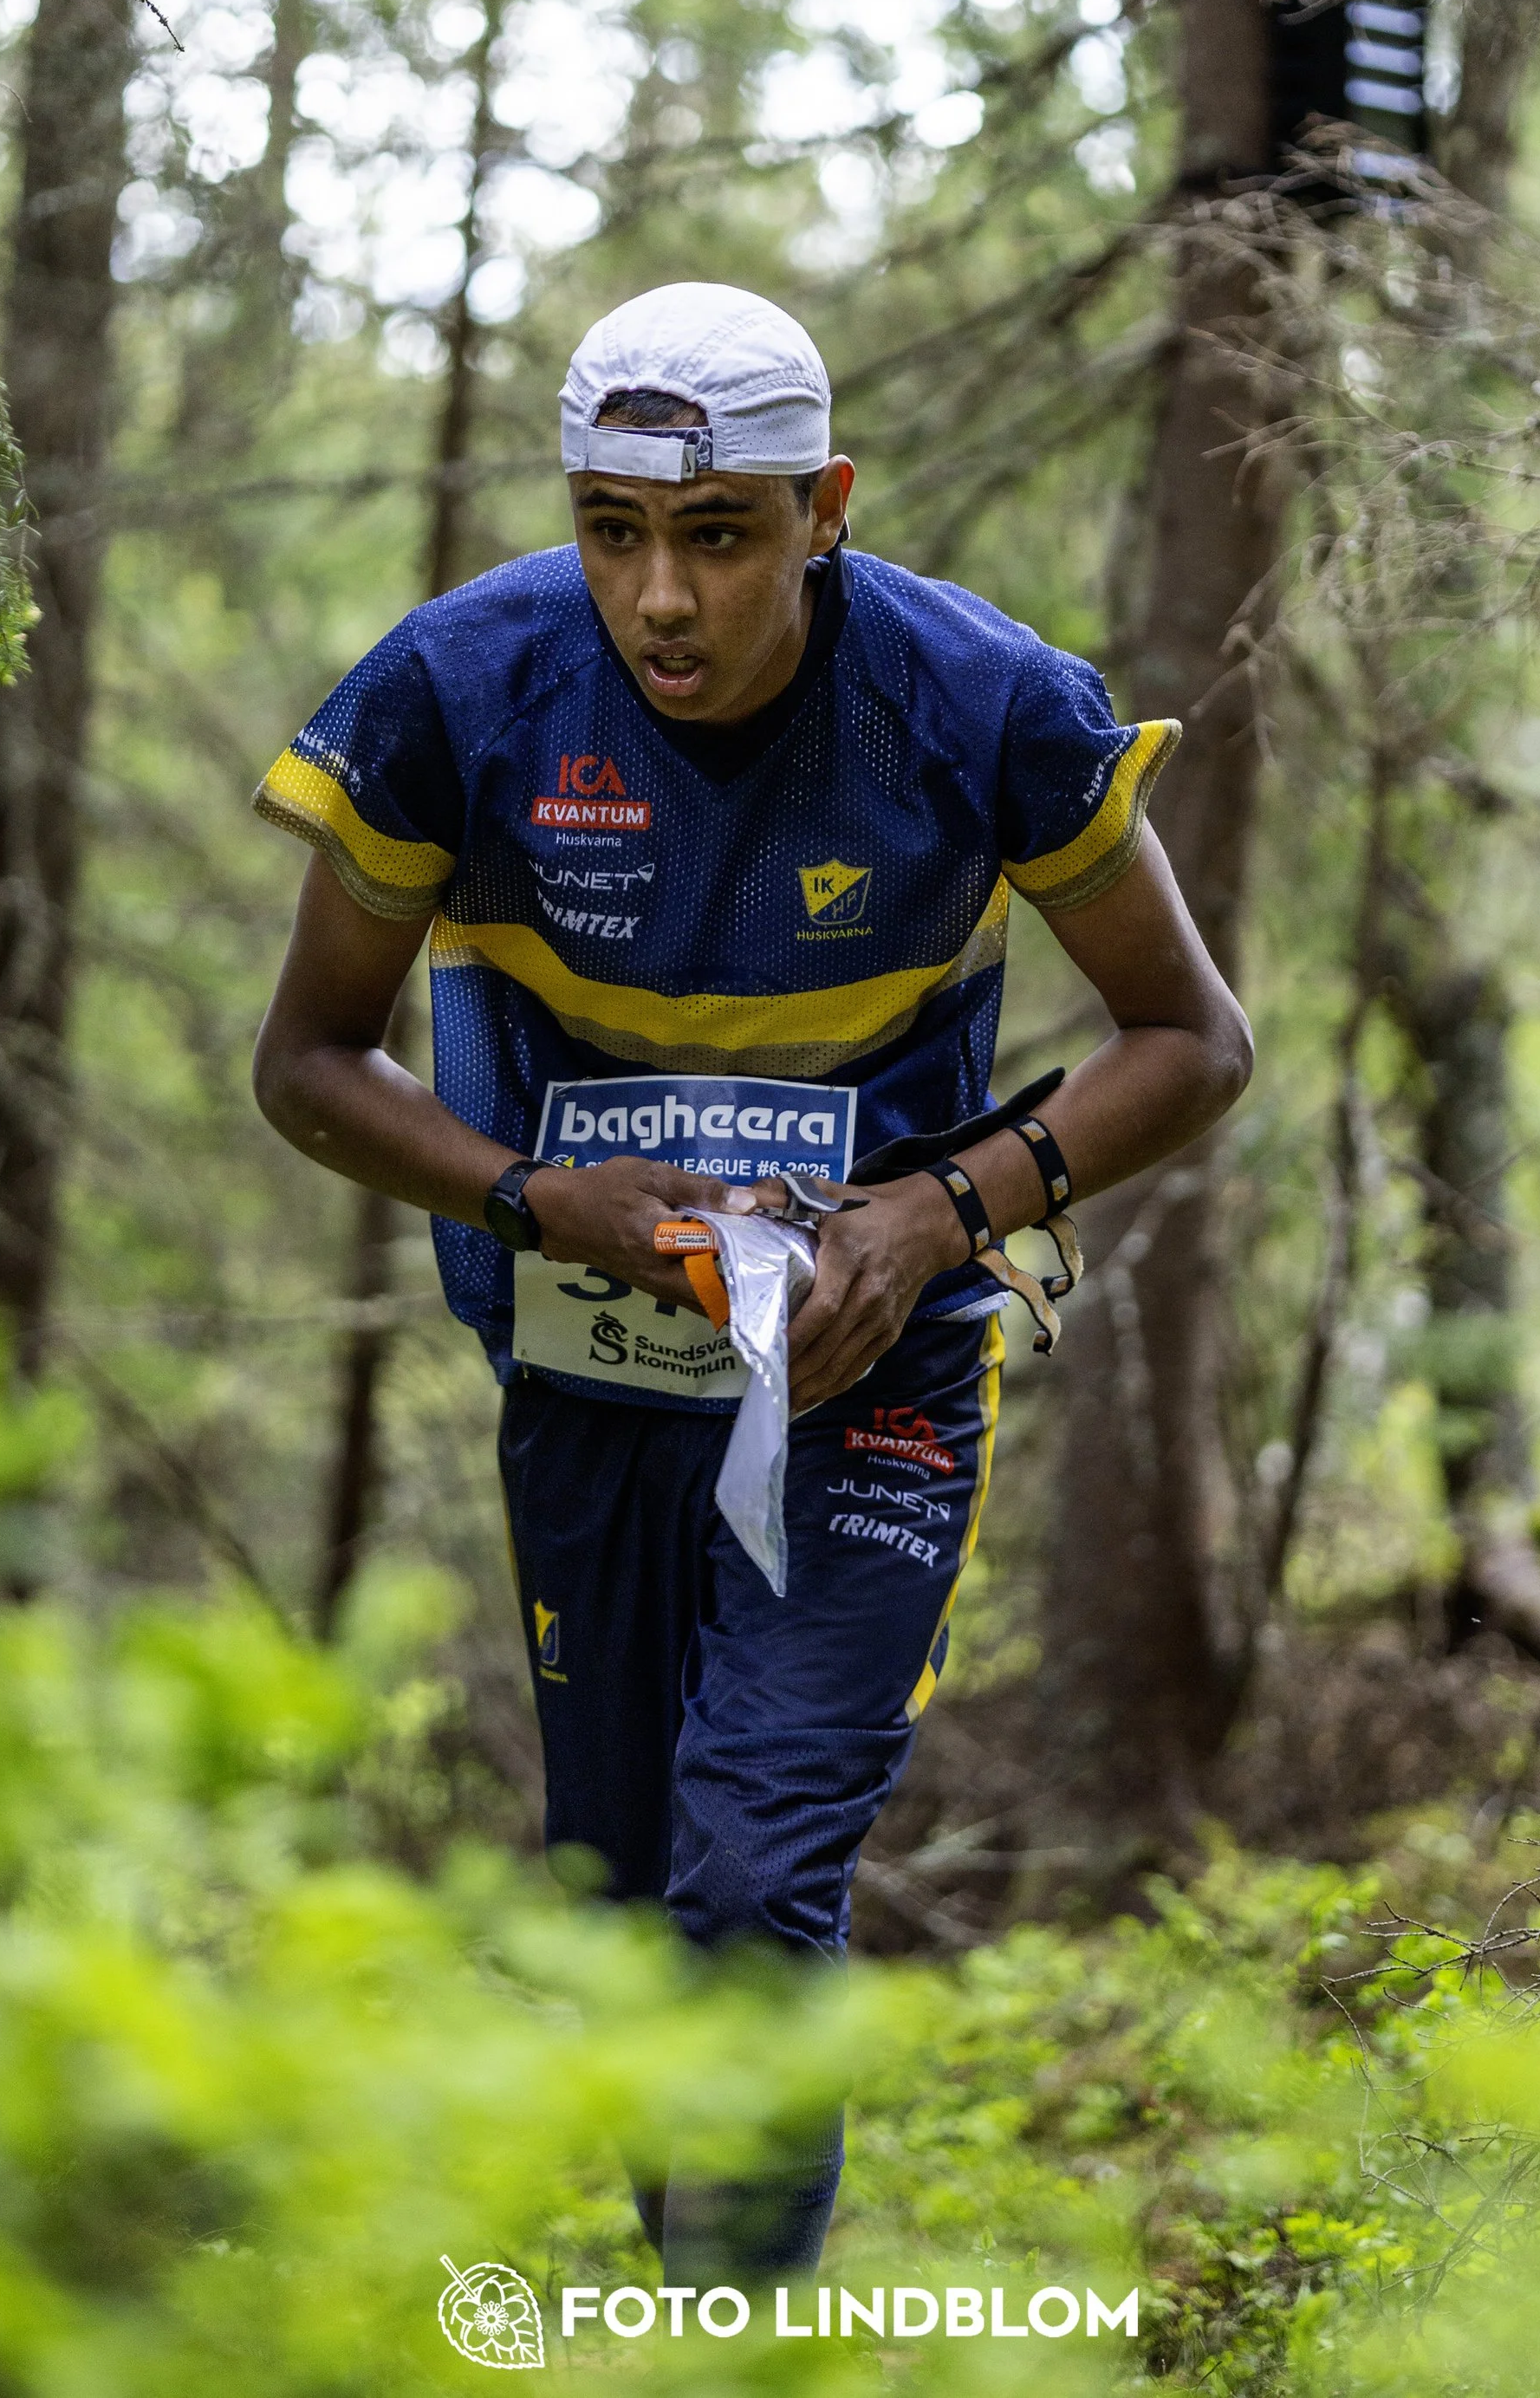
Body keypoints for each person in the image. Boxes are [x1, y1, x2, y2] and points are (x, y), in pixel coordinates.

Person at [250, 280, 1251, 2279]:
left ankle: (745, 2327)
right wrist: (543, 1193)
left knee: (751, 1876)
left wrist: (942, 1211)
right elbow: (305, 1067)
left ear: (824, 511)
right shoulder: (455, 695)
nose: (661, 599)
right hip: (589, 1363)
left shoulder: (980, 703)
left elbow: (1190, 1040)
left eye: (718, 535)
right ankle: (695, 2298)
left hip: (870, 1364)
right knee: (629, 1906)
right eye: (613, 532)